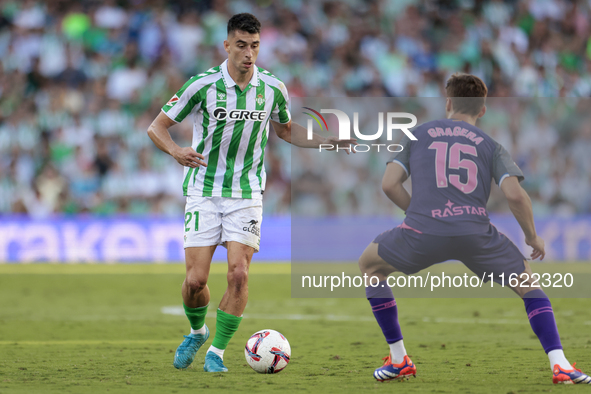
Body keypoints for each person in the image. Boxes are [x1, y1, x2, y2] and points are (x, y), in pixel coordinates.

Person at [147, 13, 353, 373]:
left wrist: (328, 143)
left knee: (239, 273)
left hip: (247, 193)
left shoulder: (273, 88)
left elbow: (286, 131)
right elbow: (157, 127)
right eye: (241, 45)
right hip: (204, 190)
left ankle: (218, 352)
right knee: (195, 281)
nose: (248, 53)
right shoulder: (202, 85)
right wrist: (177, 151)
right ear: (227, 45)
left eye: (255, 46)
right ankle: (197, 331)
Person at [358, 73, 590, 385]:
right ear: (482, 110)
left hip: (422, 233)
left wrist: (417, 213)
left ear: (448, 102)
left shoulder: (417, 134)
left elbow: (389, 184)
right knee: (529, 286)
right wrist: (532, 236)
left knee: (369, 265)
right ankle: (560, 364)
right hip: (475, 234)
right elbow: (515, 195)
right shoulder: (492, 146)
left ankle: (399, 359)